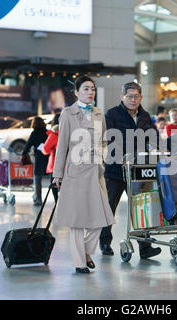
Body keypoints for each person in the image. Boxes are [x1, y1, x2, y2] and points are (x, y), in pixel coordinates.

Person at [53, 76, 115, 274]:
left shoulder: (98, 113)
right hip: (75, 172)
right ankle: (80, 262)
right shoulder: (68, 113)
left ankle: (87, 252)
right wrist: (57, 174)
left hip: (96, 172)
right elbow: (61, 145)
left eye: (93, 89)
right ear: (77, 92)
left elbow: (104, 140)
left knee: (102, 218)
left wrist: (102, 158)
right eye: (86, 89)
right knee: (77, 220)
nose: (91, 92)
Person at [100, 81, 162, 259]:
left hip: (138, 171)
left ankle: (145, 248)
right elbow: (110, 139)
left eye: (136, 96)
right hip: (115, 170)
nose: (133, 100)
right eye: (129, 96)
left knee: (141, 208)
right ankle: (105, 242)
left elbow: (154, 136)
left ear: (141, 97)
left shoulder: (144, 116)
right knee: (109, 207)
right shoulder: (112, 114)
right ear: (122, 97)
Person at [22, 117, 49, 206]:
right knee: (53, 180)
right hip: (49, 158)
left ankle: (39, 200)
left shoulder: (34, 133)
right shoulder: (47, 132)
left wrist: (23, 153)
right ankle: (57, 199)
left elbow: (27, 146)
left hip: (39, 159)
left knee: (38, 180)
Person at [42, 113, 60, 202]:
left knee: (54, 185)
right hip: (69, 165)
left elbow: (45, 150)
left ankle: (57, 202)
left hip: (55, 165)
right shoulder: (71, 132)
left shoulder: (54, 134)